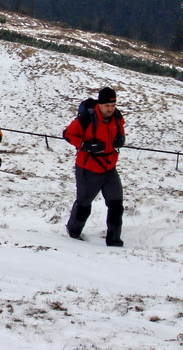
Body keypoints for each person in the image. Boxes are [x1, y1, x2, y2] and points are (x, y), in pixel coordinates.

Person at [62, 86, 127, 246]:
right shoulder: (86, 119)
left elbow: (120, 131)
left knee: (116, 205)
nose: (110, 109)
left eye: (113, 105)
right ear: (99, 104)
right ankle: (73, 232)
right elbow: (67, 134)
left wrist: (121, 139)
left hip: (110, 168)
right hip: (88, 169)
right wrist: (85, 145)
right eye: (107, 106)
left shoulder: (117, 116)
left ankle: (114, 241)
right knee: (84, 205)